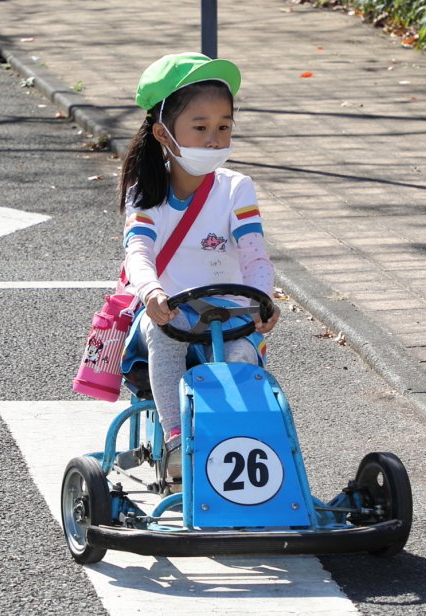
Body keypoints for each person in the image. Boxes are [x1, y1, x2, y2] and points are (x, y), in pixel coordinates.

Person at [118, 52, 280, 476]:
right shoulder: (145, 193)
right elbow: (138, 252)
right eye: (200, 126)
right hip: (167, 310)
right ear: (163, 133)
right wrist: (151, 292)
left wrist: (262, 299)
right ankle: (178, 443)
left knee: (241, 353)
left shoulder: (236, 188)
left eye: (224, 127)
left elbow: (255, 255)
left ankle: (236, 446)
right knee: (165, 333)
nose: (214, 139)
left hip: (230, 313)